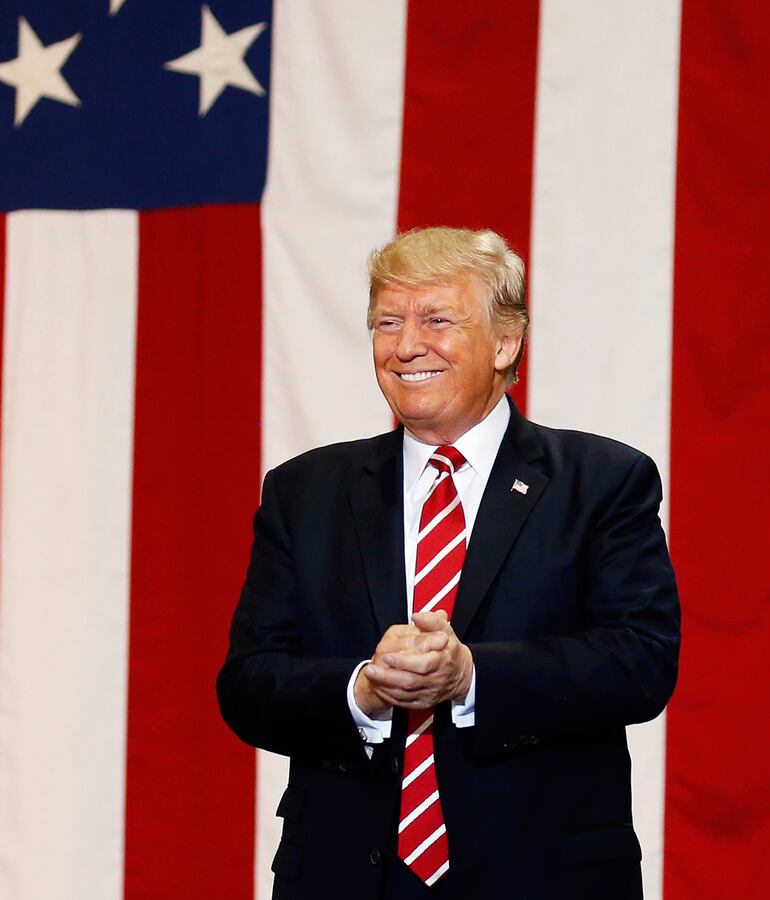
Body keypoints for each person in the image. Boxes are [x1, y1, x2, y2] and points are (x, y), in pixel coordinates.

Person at [217, 227, 681, 898]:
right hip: (346, 877)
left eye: (437, 319)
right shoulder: (304, 493)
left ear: (505, 341)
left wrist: (471, 675)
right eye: (387, 322)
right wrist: (363, 690)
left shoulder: (602, 481)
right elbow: (249, 683)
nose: (406, 346)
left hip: (543, 875)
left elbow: (641, 663)